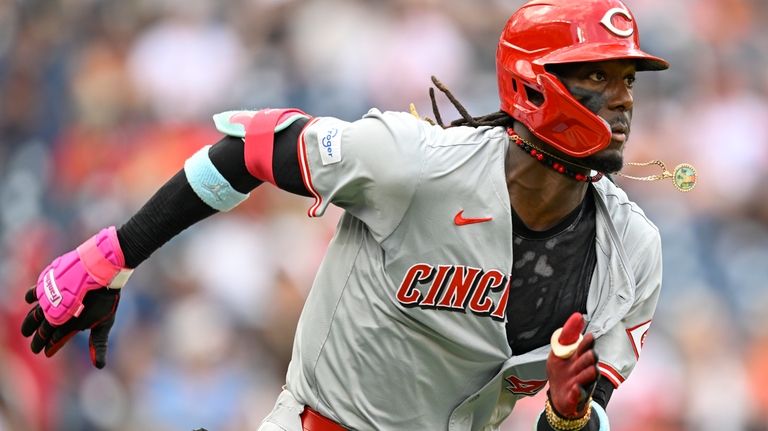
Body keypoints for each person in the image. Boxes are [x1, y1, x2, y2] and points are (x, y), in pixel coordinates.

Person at [20, 0, 668, 429]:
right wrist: (113, 256)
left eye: (628, 80)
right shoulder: (411, 161)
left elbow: (580, 418)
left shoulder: (631, 250)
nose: (622, 101)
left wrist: (567, 411)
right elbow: (249, 148)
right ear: (531, 82)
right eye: (598, 76)